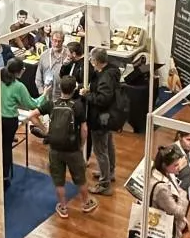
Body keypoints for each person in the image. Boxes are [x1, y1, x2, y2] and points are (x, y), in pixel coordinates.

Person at [28, 76, 96, 218]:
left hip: (54, 148)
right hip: (73, 149)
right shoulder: (78, 106)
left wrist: (45, 130)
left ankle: (63, 207)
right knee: (80, 179)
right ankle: (86, 203)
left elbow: (32, 115)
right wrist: (81, 145)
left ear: (60, 88)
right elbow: (84, 130)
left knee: (59, 181)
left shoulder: (52, 104)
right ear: (74, 89)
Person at [83, 47, 123, 196]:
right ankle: (109, 172)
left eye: (92, 59)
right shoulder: (112, 71)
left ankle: (104, 184)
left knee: (100, 150)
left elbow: (102, 99)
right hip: (109, 116)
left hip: (100, 118)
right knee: (108, 145)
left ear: (96, 61)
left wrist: (87, 95)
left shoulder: (105, 77)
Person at [0, 58, 39, 188]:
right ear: (19, 71)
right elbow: (31, 104)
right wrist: (45, 95)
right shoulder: (18, 86)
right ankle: (4, 178)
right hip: (9, 120)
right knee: (6, 147)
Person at [123, 54, 154, 133]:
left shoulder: (135, 76)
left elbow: (127, 80)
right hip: (144, 103)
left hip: (135, 99)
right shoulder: (148, 74)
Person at [35, 30, 67, 100]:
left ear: (63, 41)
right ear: (51, 40)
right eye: (55, 41)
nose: (57, 44)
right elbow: (38, 75)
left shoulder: (67, 56)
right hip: (46, 93)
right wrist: (41, 92)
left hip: (61, 95)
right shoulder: (44, 55)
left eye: (59, 41)